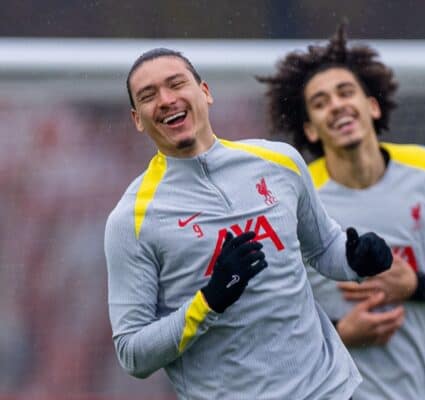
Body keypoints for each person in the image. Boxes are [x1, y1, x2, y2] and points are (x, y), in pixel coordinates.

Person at [104, 47, 395, 400]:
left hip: (331, 389)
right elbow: (132, 354)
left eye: (176, 84)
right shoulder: (131, 219)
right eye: (148, 96)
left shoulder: (280, 162)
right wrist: (209, 301)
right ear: (138, 119)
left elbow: (324, 246)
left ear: (205, 92)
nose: (166, 100)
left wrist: (357, 260)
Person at [258, 25, 425, 400]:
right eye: (320, 102)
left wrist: (417, 285)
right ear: (310, 130)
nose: (336, 105)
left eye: (345, 92)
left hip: (423, 391)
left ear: (372, 106)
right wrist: (339, 332)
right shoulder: (294, 195)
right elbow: (266, 312)